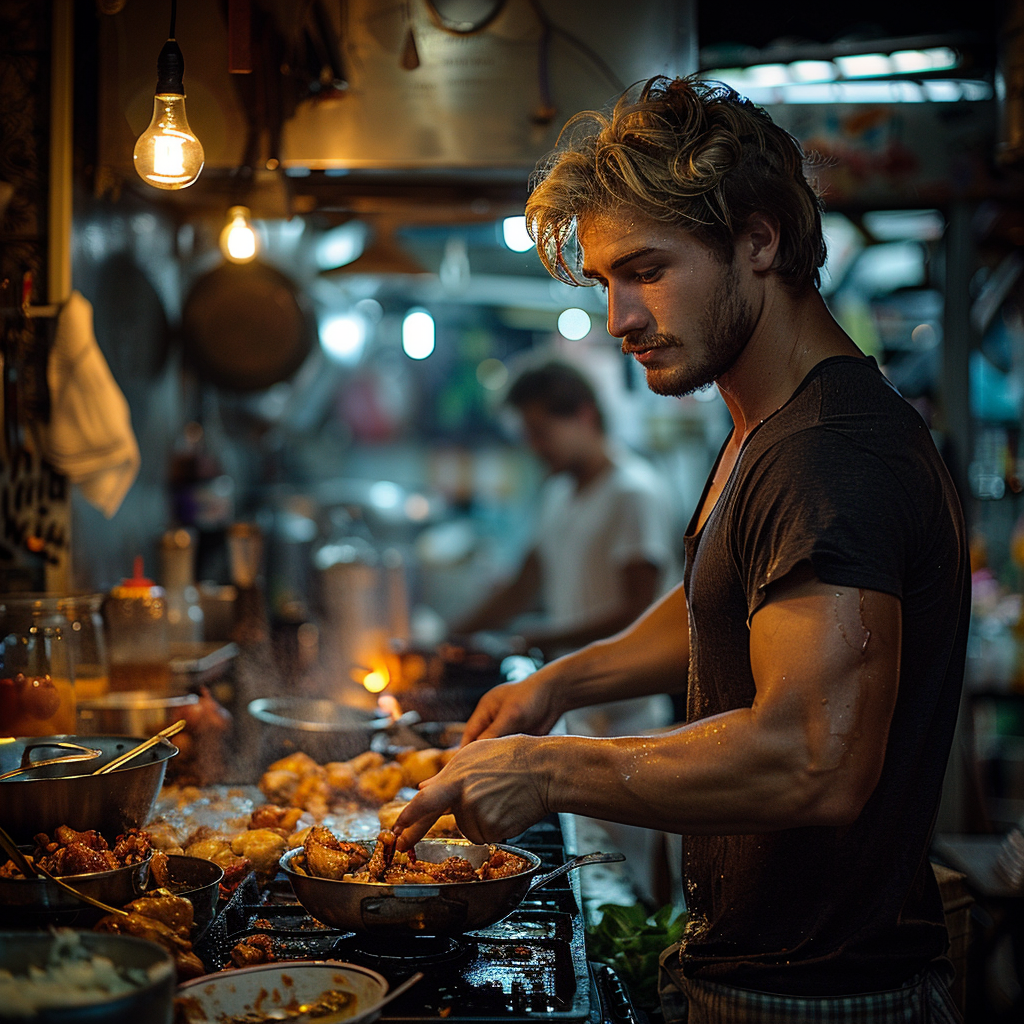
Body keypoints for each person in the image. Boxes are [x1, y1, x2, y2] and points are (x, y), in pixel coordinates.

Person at [396, 75, 970, 1022]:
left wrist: (547, 770)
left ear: (758, 240)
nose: (618, 318)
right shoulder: (767, 423)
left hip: (821, 1000)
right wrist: (565, 683)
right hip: (757, 972)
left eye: (648, 270)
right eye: (605, 281)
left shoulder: (830, 454)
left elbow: (813, 759)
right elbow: (726, 603)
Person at [454, 360, 677, 903]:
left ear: (581, 414)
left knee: (630, 878)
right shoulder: (559, 494)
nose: (534, 447)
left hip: (627, 716)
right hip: (571, 710)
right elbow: (524, 583)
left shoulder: (634, 492)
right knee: (585, 868)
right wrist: (451, 633)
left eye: (540, 431)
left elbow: (637, 610)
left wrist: (540, 638)